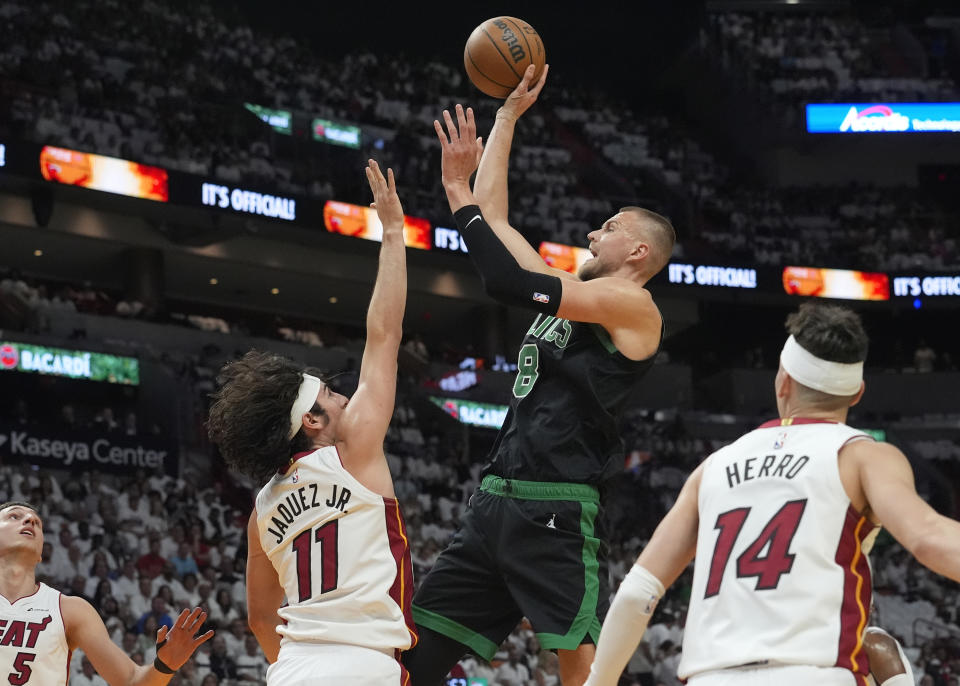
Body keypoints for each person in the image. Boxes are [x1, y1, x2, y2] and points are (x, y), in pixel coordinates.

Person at [404, 66, 675, 686]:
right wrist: (505, 122)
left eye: (608, 228)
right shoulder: (579, 291)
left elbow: (504, 280)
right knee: (417, 656)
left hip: (556, 501)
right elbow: (496, 226)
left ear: (638, 253)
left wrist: (457, 196)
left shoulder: (634, 307)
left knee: (578, 664)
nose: (591, 231)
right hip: (495, 498)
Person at [583, 303, 960, 686]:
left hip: (710, 678)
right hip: (812, 674)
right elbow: (929, 539)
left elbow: (637, 593)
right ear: (857, 393)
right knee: (884, 655)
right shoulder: (862, 455)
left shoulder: (713, 466)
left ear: (782, 381)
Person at [207, 160, 416, 685]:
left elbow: (260, 618)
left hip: (293, 670)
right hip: (365, 665)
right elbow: (384, 335)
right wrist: (393, 232)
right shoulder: (353, 453)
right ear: (313, 421)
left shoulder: (261, 509)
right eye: (329, 393)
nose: (345, 397)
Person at [0, 501, 212, 685]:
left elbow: (131, 681)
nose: (29, 520)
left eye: (37, 523)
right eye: (15, 516)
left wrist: (165, 666)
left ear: (41, 553)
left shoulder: (70, 610)